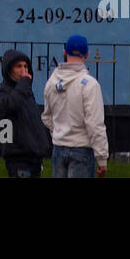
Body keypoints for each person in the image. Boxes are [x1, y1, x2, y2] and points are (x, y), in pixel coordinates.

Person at [42, 34, 109, 178]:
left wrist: (58, 133)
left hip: (58, 149)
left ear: (65, 52)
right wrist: (102, 158)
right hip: (82, 150)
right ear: (87, 54)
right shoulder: (90, 85)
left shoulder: (51, 83)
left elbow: (46, 116)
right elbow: (94, 123)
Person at [0, 49, 51, 177]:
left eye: (25, 66)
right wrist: (24, 83)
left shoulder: (26, 92)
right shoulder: (3, 92)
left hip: (33, 155)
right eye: (18, 66)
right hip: (18, 156)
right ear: (9, 69)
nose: (23, 70)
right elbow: (11, 105)